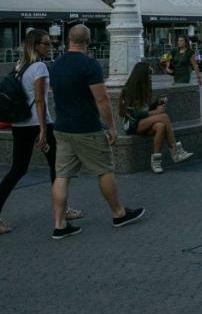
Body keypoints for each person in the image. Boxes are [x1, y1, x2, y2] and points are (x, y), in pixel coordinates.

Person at [47, 24, 145, 239]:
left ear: (68, 40)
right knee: (104, 170)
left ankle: (59, 224)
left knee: (62, 175)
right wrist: (111, 126)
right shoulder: (90, 65)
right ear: (88, 41)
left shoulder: (56, 64)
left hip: (62, 127)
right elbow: (101, 99)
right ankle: (118, 213)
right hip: (87, 127)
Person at [0, 29, 82, 235]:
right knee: (58, 168)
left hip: (19, 124)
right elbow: (39, 100)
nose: (50, 47)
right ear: (36, 46)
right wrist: (44, 129)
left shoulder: (19, 66)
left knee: (17, 169)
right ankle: (63, 212)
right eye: (46, 44)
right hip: (39, 124)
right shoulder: (40, 67)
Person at [119, 61, 193, 173]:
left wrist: (157, 103)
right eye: (148, 74)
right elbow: (131, 113)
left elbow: (145, 107)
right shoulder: (128, 90)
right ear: (141, 75)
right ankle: (176, 151)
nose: (150, 77)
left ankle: (156, 161)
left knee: (160, 126)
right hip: (132, 124)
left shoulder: (144, 87)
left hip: (143, 122)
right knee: (163, 117)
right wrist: (153, 113)